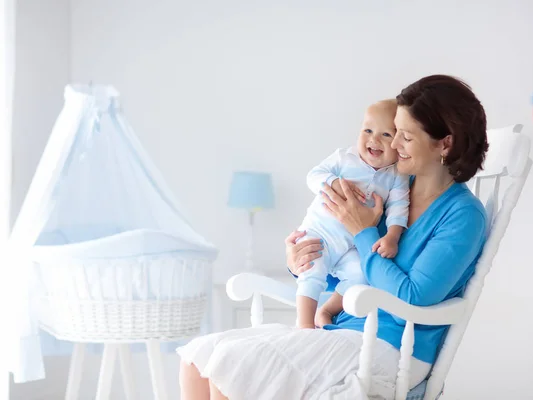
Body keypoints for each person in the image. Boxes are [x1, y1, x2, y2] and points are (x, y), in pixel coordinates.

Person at [177, 75, 489, 400]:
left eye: (405, 137)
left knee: (232, 364)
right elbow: (349, 269)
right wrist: (304, 260)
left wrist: (363, 230)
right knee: (199, 357)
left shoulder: (463, 216)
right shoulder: (387, 189)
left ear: (445, 144)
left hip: (393, 348)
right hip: (348, 329)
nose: (393, 145)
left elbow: (410, 298)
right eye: (394, 132)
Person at [295, 99, 410, 330]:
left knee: (361, 275)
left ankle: (326, 310)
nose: (374, 139)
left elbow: (399, 208)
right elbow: (313, 175)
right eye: (367, 130)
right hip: (320, 234)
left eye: (386, 134)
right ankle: (304, 325)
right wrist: (333, 182)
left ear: (398, 143)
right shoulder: (343, 158)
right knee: (312, 270)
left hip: (352, 245)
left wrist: (392, 237)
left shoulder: (397, 175)